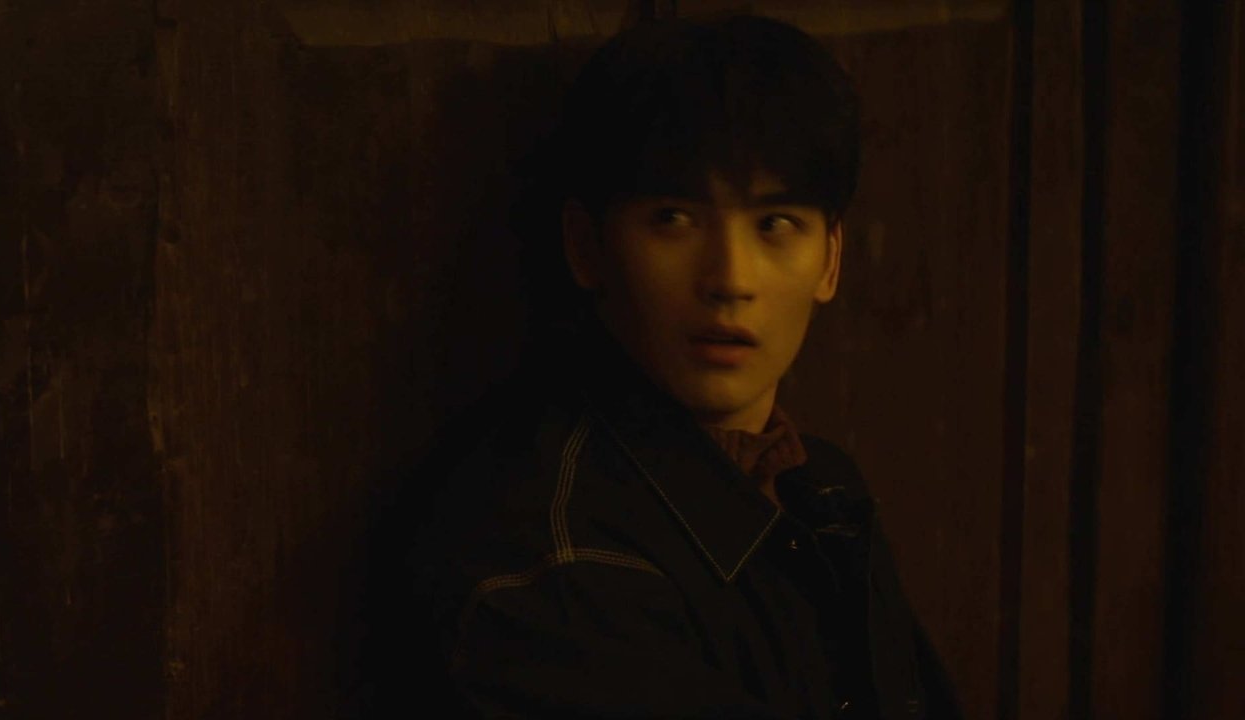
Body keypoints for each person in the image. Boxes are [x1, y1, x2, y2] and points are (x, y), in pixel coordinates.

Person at [370, 14, 962, 719]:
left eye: (775, 224)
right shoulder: (550, 564)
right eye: (674, 219)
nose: (731, 279)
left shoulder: (820, 488)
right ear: (586, 245)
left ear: (830, 259)